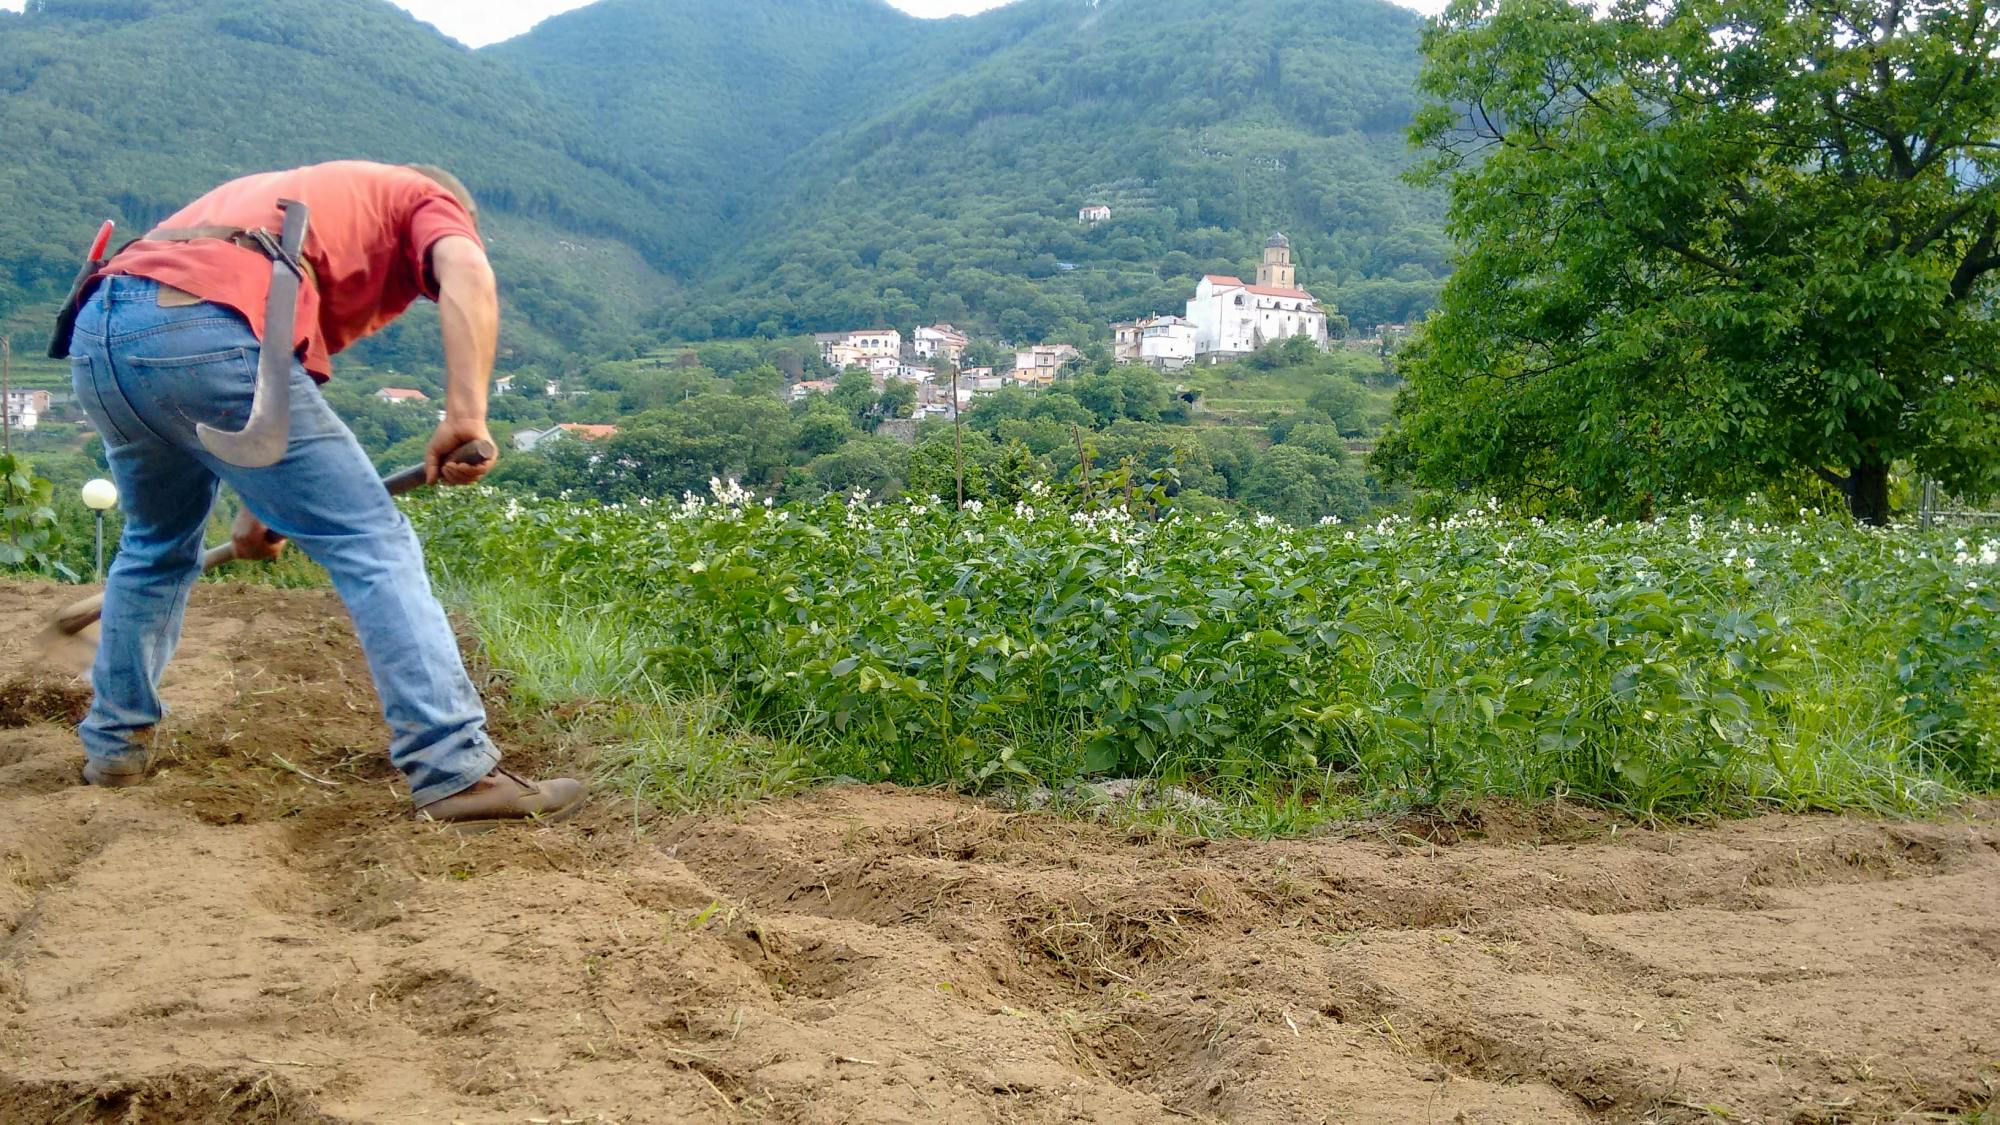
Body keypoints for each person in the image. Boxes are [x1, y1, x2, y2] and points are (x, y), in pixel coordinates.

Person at [64, 160, 583, 829]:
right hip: (202, 326)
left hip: (103, 332)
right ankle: (454, 766)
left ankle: (113, 748)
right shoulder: (422, 198)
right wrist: (464, 414)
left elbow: (276, 388)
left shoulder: (305, 220)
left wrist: (261, 506)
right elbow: (469, 273)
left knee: (156, 545)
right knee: (373, 539)